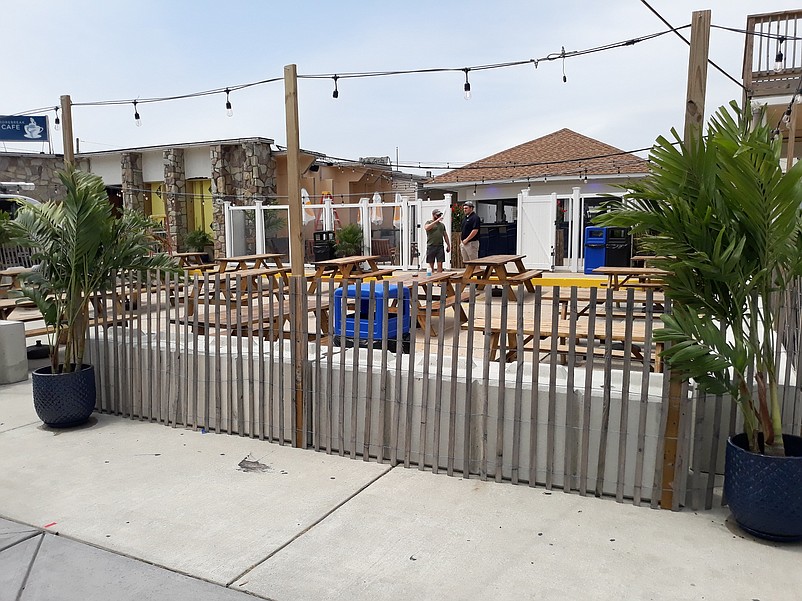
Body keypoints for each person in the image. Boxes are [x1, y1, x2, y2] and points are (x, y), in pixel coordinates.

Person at [424, 208, 450, 273]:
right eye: (437, 215)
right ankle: (431, 280)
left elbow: (445, 235)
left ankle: (440, 280)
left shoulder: (442, 225)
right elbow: (427, 228)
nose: (439, 216)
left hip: (440, 246)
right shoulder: (429, 222)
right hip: (431, 246)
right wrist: (436, 221)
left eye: (440, 215)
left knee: (440, 264)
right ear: (433, 215)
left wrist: (448, 245)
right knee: (431, 264)